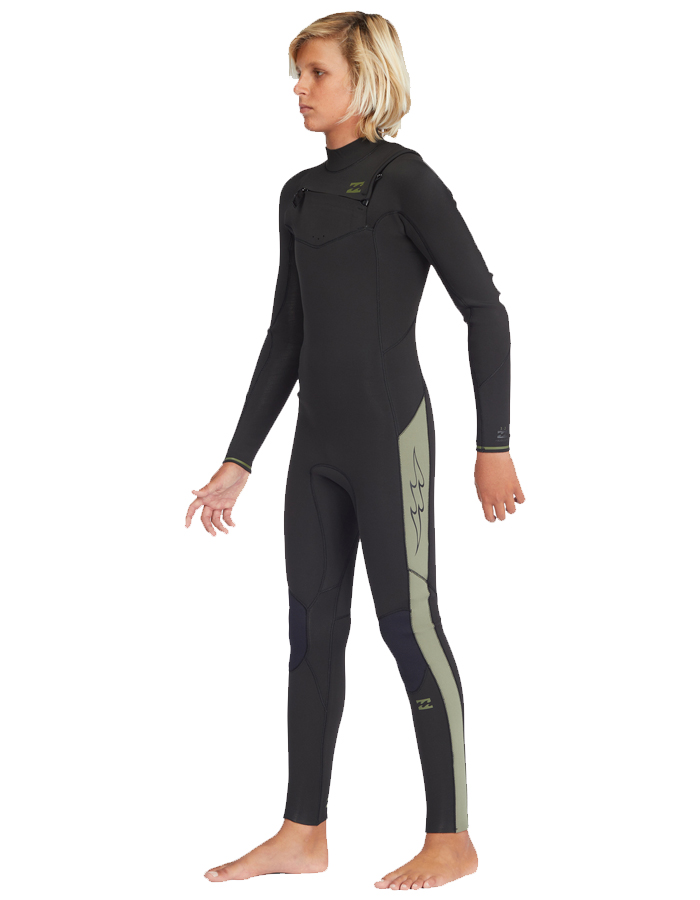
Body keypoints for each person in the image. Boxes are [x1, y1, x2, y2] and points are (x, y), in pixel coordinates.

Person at [185, 11, 525, 890]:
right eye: (296, 74)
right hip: (317, 448)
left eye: (316, 74)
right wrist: (238, 460)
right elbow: (285, 336)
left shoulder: (405, 181)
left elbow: (484, 309)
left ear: (365, 80)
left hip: (389, 433)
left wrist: (494, 444)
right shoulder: (299, 194)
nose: (299, 90)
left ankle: (451, 838)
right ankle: (303, 832)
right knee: (311, 631)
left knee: (409, 625)